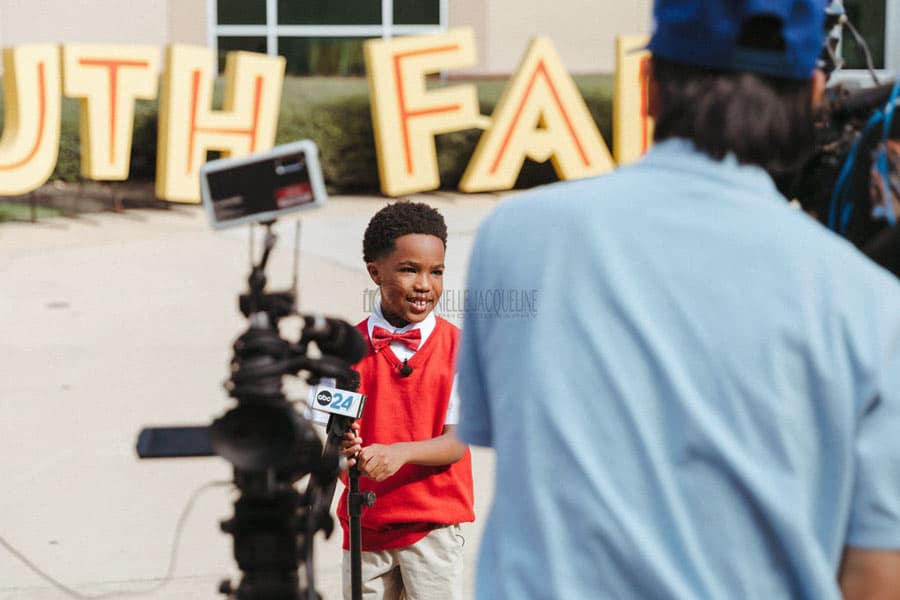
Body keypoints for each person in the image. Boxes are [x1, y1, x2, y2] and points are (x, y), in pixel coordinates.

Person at [455, 1, 900, 598]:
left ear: (649, 86)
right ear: (814, 93)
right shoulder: (871, 303)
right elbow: (876, 575)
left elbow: (494, 431)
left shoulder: (515, 238)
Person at [309, 201, 474, 600]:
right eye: (408, 269)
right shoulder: (345, 349)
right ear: (375, 272)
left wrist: (400, 453)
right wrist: (342, 449)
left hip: (432, 530)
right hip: (366, 528)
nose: (424, 284)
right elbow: (325, 436)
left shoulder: (460, 349)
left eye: (436, 272)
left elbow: (457, 442)